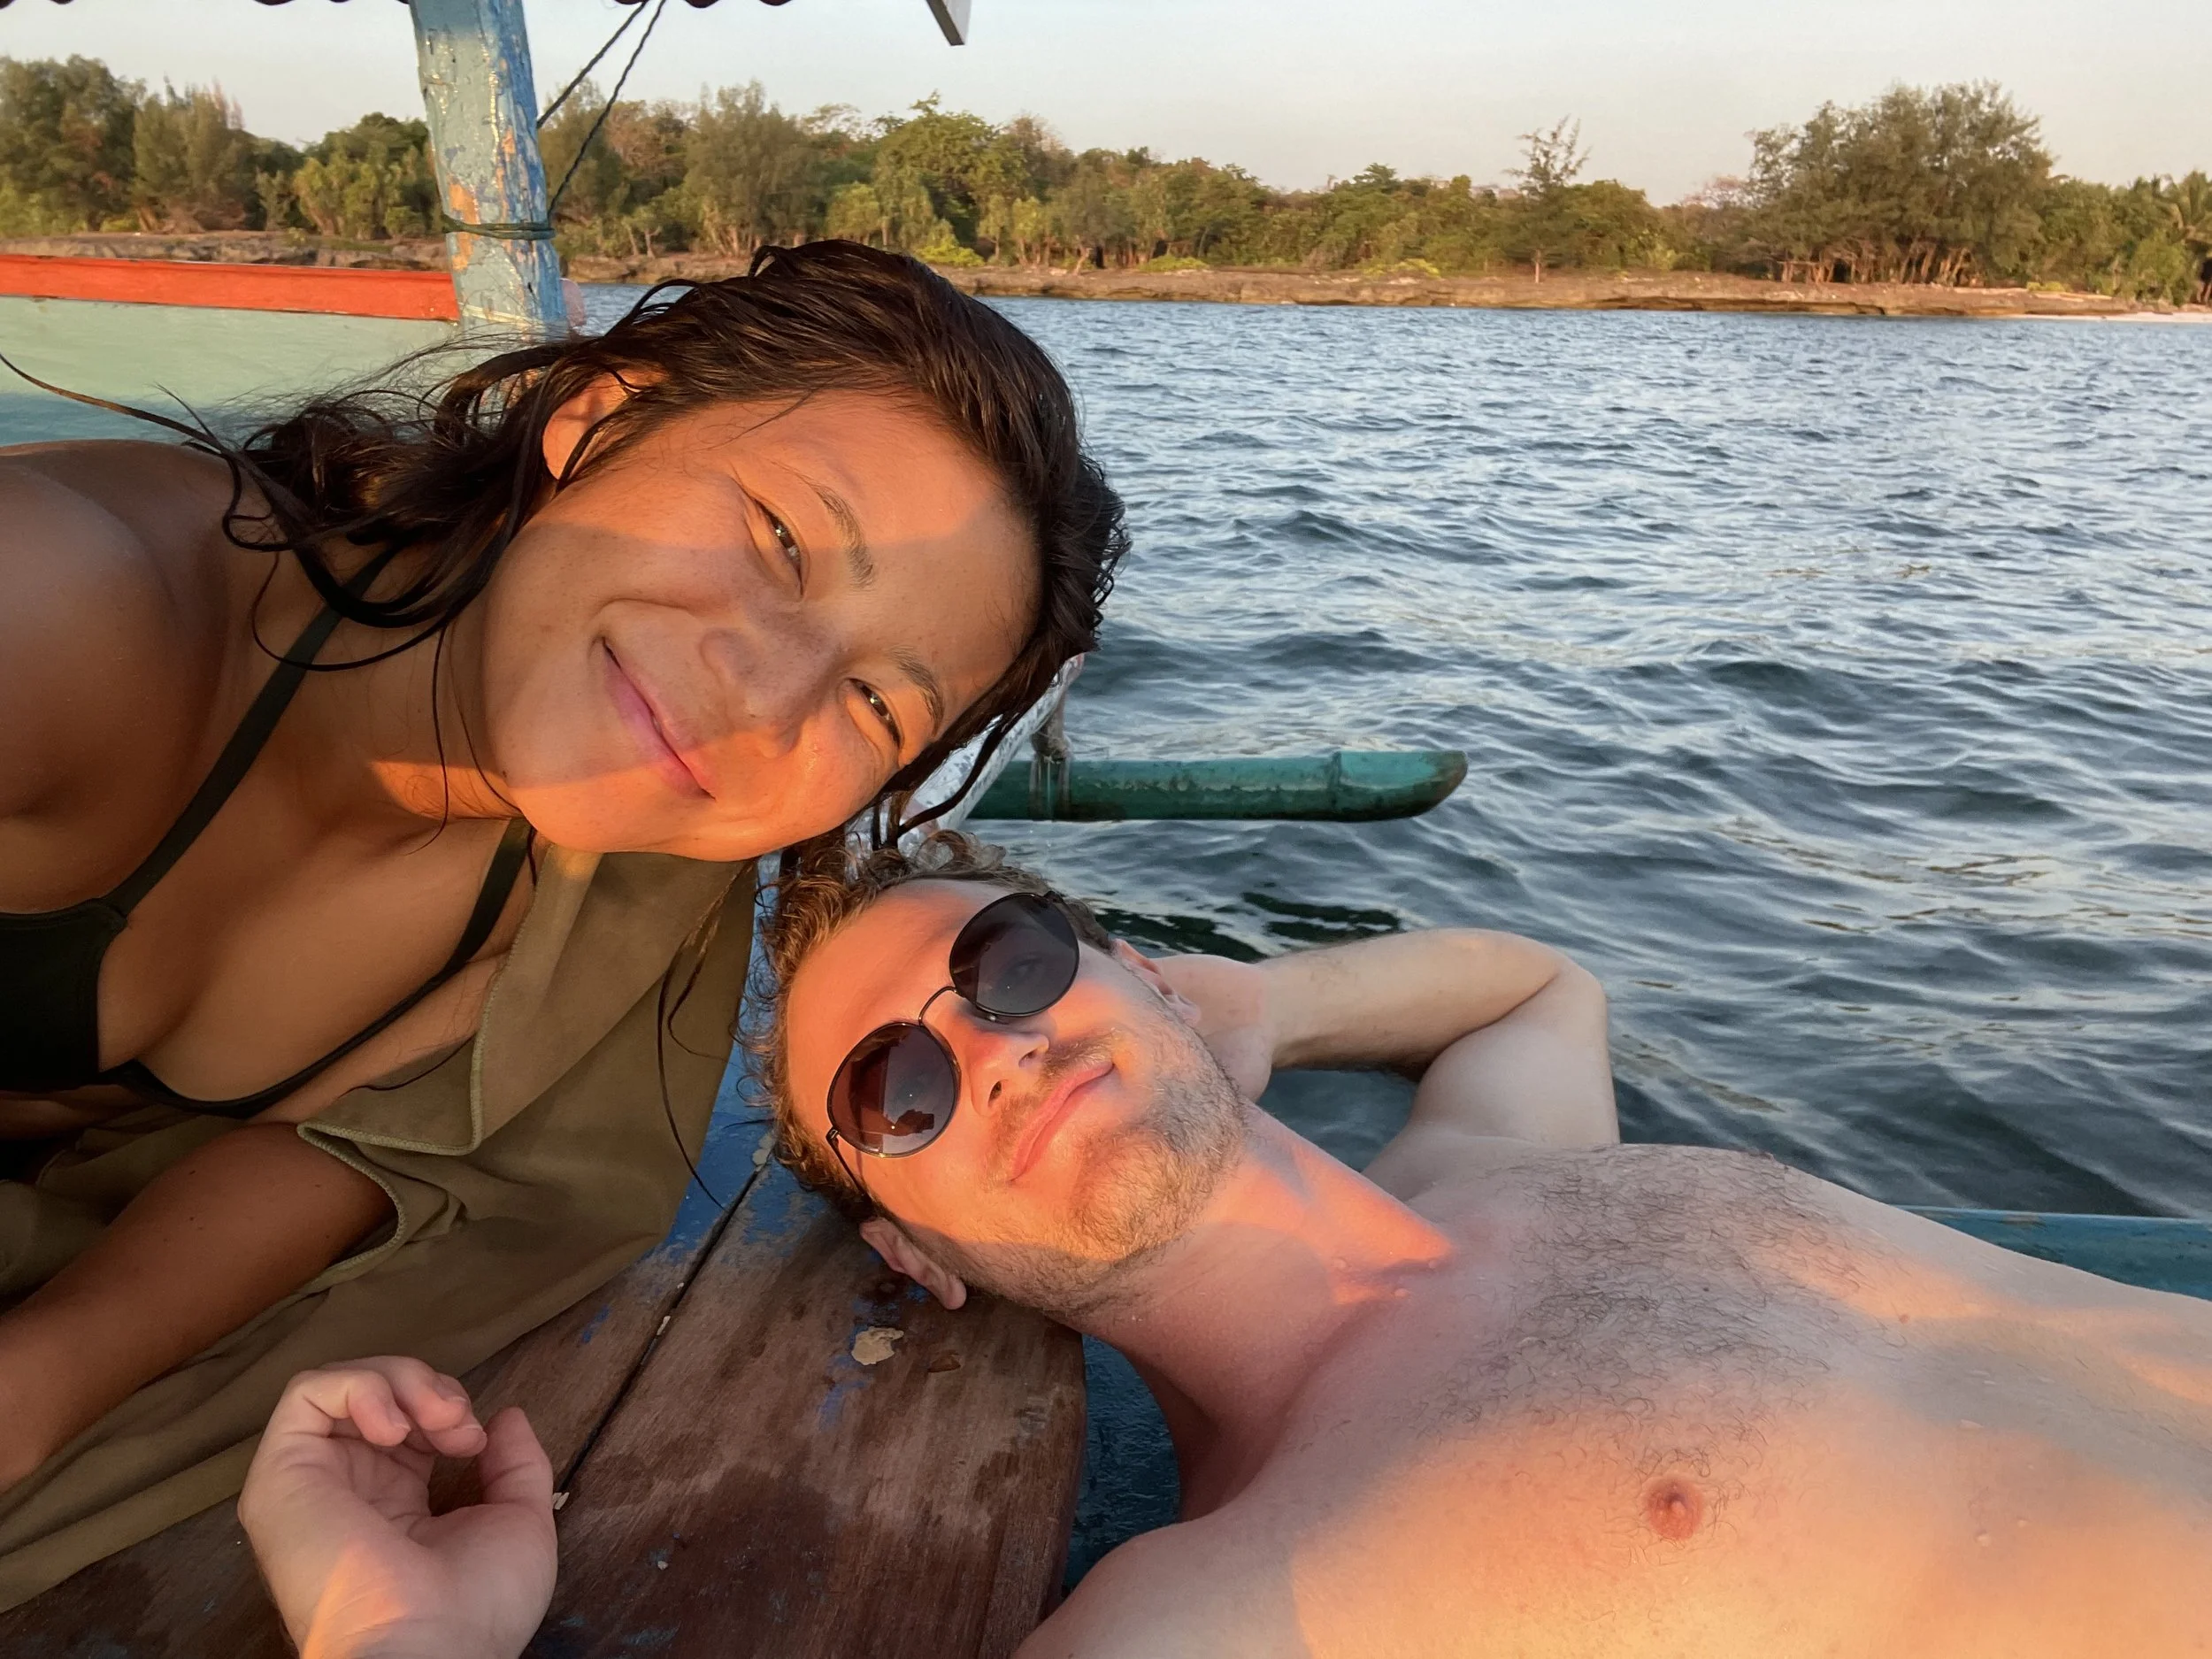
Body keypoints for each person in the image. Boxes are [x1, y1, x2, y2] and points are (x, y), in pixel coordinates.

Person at [232, 832, 2212, 1655]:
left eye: (1010, 963)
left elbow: (1540, 985)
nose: (991, 1049)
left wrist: (1272, 1001)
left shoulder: (1503, 1168)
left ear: (1138, 974)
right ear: (918, 1256)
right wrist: (405, 1639)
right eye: (896, 1092)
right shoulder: (1233, 1598)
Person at [0, 244, 1125, 1606]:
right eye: (781, 541)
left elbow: (340, 1144)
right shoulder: (66, 605)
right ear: (598, 418)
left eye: (877, 704)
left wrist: (46, 1373)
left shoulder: (584, 874)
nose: (763, 698)